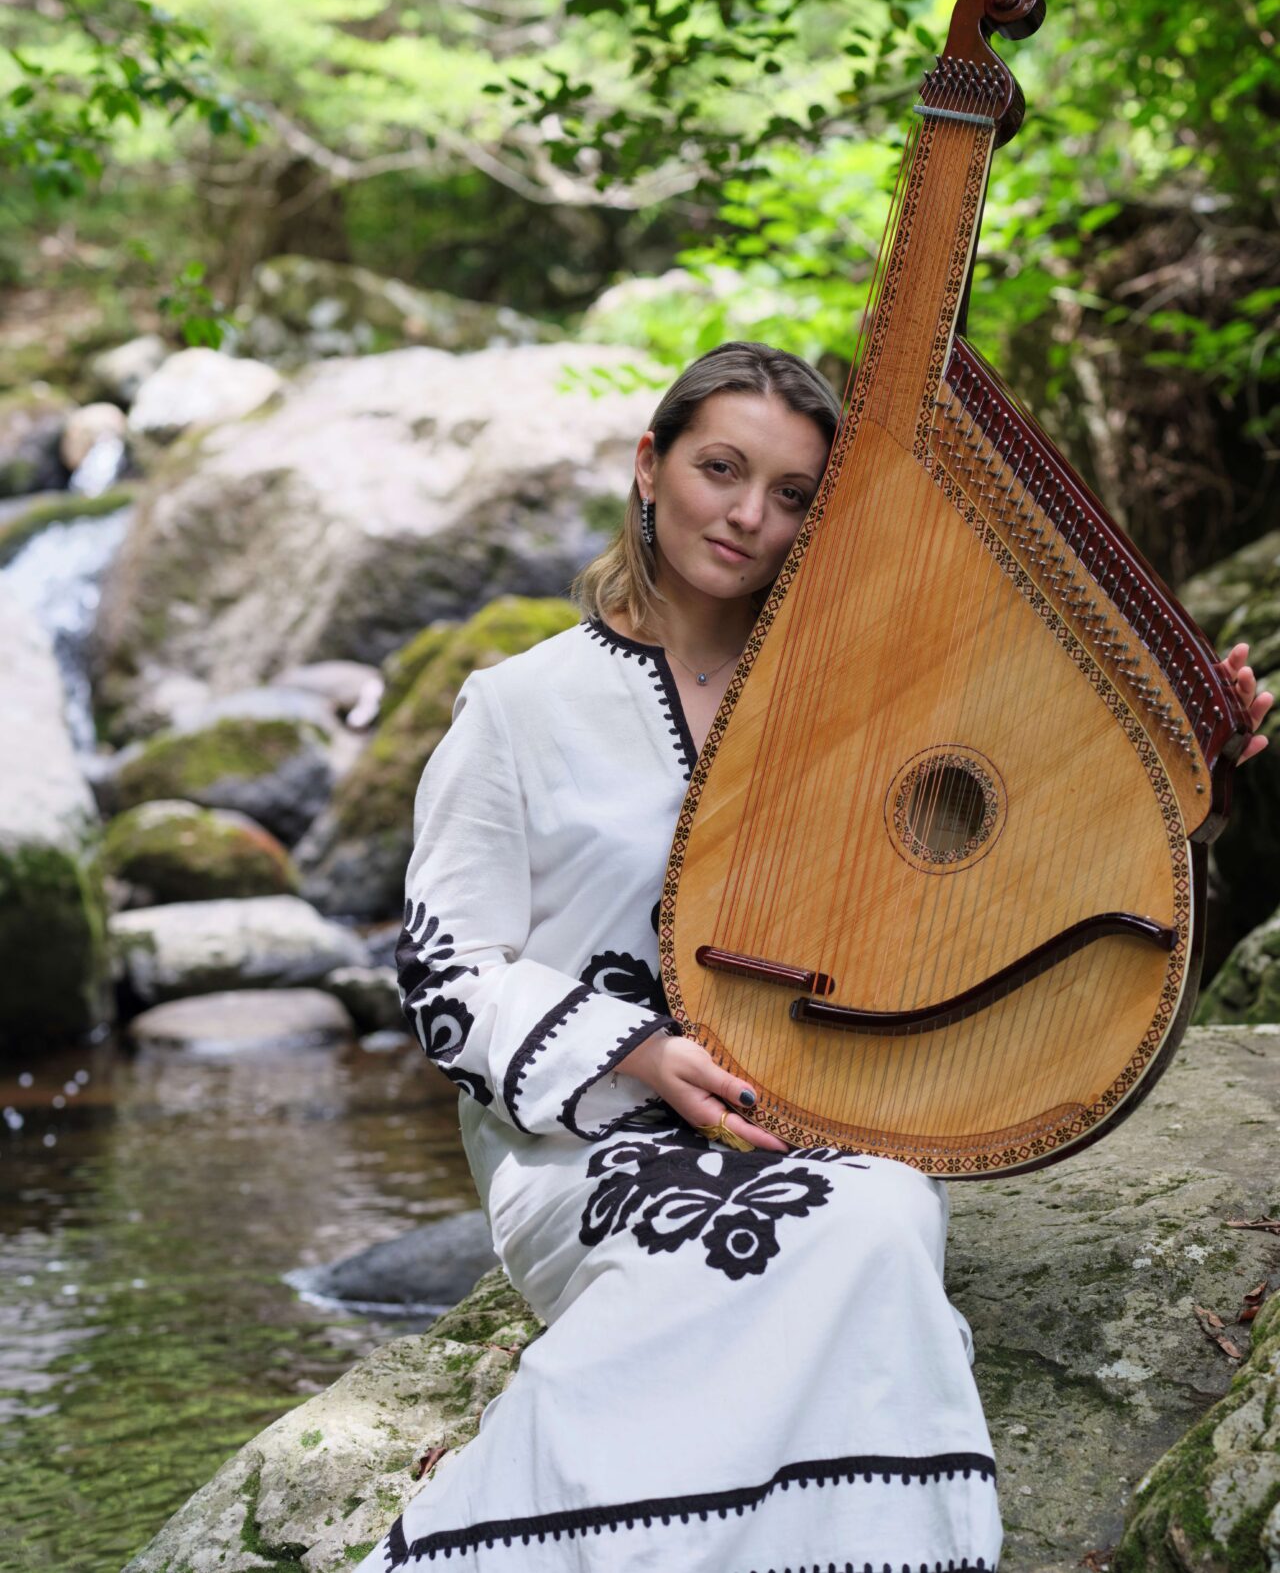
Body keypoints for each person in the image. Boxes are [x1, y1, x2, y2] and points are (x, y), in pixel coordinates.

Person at [354, 341, 1271, 1573]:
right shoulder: (517, 707)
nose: (746, 515)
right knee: (833, 1232)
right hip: (594, 1142)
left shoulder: (854, 701)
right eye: (719, 470)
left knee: (881, 1202)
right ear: (649, 465)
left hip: (826, 1109)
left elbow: (1007, 875)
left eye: (792, 496)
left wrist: (1178, 783)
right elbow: (446, 970)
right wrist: (638, 1051)